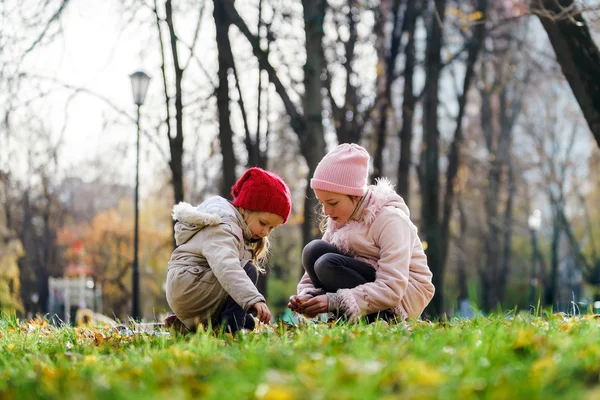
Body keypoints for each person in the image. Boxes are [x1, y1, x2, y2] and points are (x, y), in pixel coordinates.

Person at [288, 143, 434, 323]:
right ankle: (351, 316)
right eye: (322, 202)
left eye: (332, 203)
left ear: (355, 195)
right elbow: (311, 276)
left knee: (326, 264)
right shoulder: (341, 218)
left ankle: (381, 318)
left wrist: (334, 301)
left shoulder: (390, 220)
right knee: (313, 250)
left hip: (400, 299)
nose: (325, 211)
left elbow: (392, 287)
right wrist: (306, 298)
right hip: (365, 283)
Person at [165, 167, 292, 333]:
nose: (265, 232)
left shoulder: (239, 228)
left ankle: (193, 325)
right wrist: (254, 299)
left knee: (248, 322)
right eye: (263, 223)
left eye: (272, 228)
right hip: (191, 285)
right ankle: (231, 331)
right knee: (247, 270)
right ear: (245, 208)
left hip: (192, 285)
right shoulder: (224, 225)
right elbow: (226, 266)